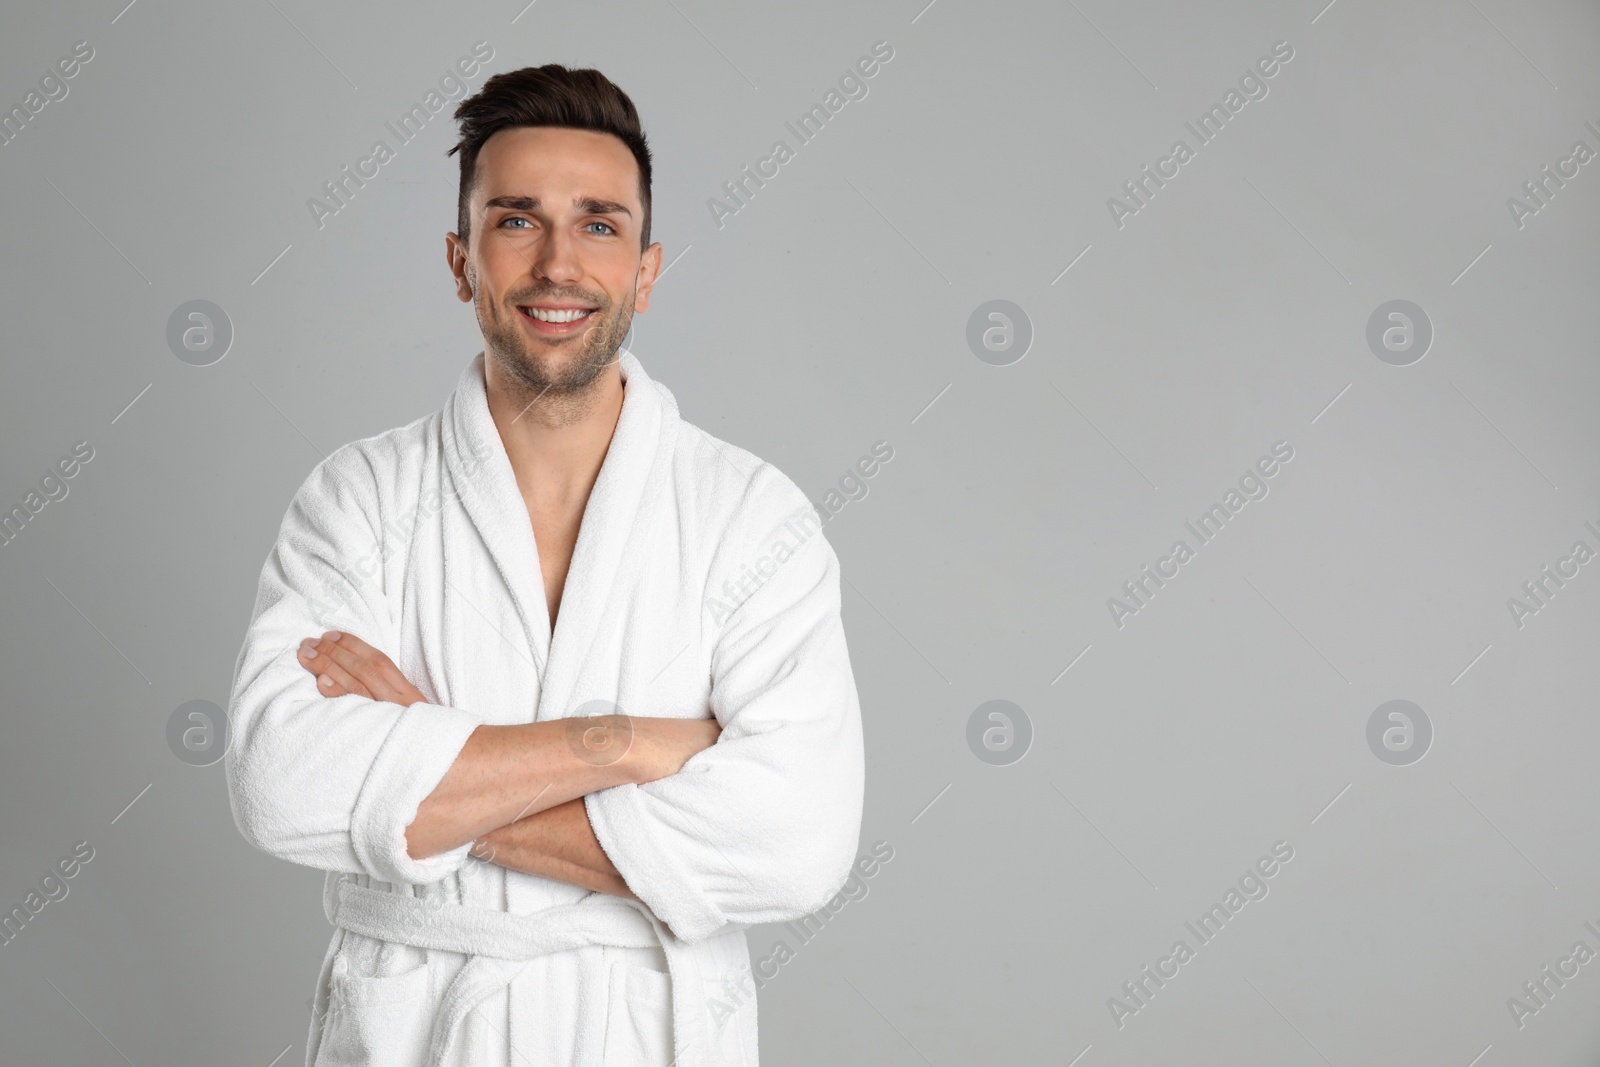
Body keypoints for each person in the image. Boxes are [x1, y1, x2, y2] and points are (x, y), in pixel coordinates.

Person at [224, 63, 865, 1067]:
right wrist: (619, 743)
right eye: (517, 220)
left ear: (647, 271)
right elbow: (280, 781)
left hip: (647, 1032)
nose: (558, 263)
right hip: (413, 1031)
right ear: (460, 257)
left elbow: (795, 843)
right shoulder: (358, 498)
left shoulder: (752, 516)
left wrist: (422, 767)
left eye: (599, 223)